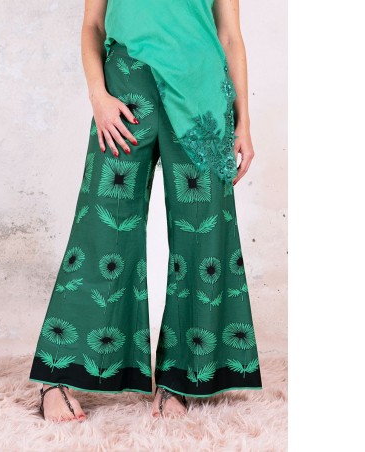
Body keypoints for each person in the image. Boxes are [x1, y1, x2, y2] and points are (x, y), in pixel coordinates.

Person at [29, 0, 262, 422]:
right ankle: (57, 375)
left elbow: (230, 35)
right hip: (126, 87)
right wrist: (98, 96)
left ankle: (181, 379)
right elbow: (93, 24)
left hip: (202, 95)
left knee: (203, 235)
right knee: (102, 225)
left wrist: (243, 121)